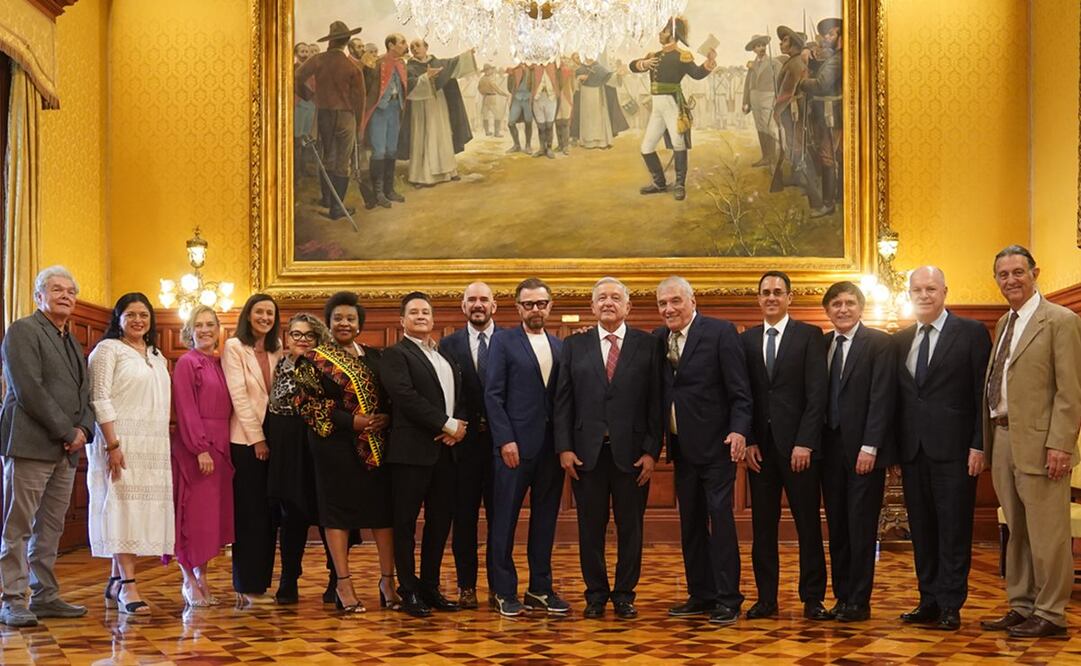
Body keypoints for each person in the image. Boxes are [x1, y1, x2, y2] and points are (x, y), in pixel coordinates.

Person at [979, 246, 1081, 638]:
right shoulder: (1005, 322)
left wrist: (1060, 445)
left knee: (1047, 531)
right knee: (1018, 529)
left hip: (1042, 445)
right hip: (1004, 437)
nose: (1011, 280)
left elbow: (1070, 392)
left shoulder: (1060, 320)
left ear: (1035, 272)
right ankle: (1022, 605)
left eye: (1018, 272)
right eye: (1003, 274)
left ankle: (1052, 613)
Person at [554, 277, 663, 620]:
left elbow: (656, 404)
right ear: (592, 306)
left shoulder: (648, 345)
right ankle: (596, 594)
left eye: (616, 298)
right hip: (586, 455)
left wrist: (651, 451)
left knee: (631, 528)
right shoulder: (574, 345)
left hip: (633, 455)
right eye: (601, 298)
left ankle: (625, 595)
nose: (608, 303)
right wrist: (564, 448)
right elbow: (563, 402)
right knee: (590, 528)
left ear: (628, 306)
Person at [894, 266, 991, 631]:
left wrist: (979, 445)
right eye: (917, 289)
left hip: (955, 451)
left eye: (931, 288)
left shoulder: (970, 333)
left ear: (945, 291)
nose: (924, 295)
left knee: (953, 529)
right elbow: (899, 399)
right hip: (913, 452)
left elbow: (983, 393)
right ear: (909, 294)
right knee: (922, 529)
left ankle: (952, 603)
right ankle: (929, 600)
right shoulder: (901, 339)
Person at [654, 276, 752, 626]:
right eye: (663, 303)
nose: (669, 309)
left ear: (692, 301)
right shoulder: (658, 338)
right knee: (690, 523)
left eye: (675, 301)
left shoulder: (720, 332)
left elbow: (740, 390)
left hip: (716, 448)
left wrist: (739, 430)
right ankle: (700, 594)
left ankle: (728, 598)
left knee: (720, 521)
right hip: (681, 449)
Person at [0, 267, 93, 627]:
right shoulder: (23, 331)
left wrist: (84, 427)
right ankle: (12, 599)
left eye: (71, 291)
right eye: (57, 290)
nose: (66, 295)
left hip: (66, 450)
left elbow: (84, 391)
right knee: (18, 525)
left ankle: (45, 595)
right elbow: (29, 391)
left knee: (50, 527)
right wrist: (67, 431)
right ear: (39, 296)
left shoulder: (71, 340)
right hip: (30, 444)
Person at [294, 292, 397, 614]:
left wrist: (387, 417)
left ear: (359, 324)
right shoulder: (312, 360)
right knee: (336, 514)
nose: (344, 323)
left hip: (376, 447)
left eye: (351, 318)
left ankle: (387, 581)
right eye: (338, 318)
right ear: (329, 322)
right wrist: (352, 421)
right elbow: (307, 404)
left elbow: (393, 397)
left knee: (383, 514)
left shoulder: (376, 357)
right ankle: (343, 583)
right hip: (334, 447)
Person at [740, 271, 830, 621]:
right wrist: (747, 441)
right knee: (763, 528)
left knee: (808, 525)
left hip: (800, 452)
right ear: (759, 298)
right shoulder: (746, 340)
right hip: (760, 452)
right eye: (766, 292)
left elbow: (816, 395)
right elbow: (741, 395)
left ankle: (813, 598)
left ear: (790, 297)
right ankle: (766, 599)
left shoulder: (809, 336)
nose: (772, 297)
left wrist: (805, 442)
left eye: (778, 292)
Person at [485, 278, 569, 617]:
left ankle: (540, 588)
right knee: (504, 521)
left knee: (545, 520)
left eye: (541, 303)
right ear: (518, 307)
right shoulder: (503, 342)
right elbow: (492, 394)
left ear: (550, 306)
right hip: (514, 448)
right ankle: (503, 591)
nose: (536, 309)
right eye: (529, 304)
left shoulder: (561, 346)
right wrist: (505, 439)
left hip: (551, 450)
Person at [86, 292, 174, 616]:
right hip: (119, 443)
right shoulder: (107, 350)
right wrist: (112, 445)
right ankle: (129, 585)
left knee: (135, 510)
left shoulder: (157, 355)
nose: (138, 320)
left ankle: (114, 579)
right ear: (118, 318)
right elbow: (100, 398)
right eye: (131, 314)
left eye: (144, 315)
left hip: (152, 445)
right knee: (121, 508)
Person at [381, 292, 466, 617]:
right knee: (405, 524)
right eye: (413, 312)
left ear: (432, 319)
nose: (420, 316)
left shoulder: (444, 357)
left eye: (425, 312)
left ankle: (430, 587)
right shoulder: (396, 354)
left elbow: (458, 396)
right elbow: (405, 396)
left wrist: (458, 426)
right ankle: (408, 589)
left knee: (439, 523)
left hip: (446, 453)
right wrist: (446, 424)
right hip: (410, 454)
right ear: (402, 321)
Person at [818, 281, 895, 622]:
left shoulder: (879, 343)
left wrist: (871, 446)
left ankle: (860, 601)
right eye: (836, 304)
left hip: (864, 451)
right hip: (829, 451)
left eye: (849, 303)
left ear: (861, 307)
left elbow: (882, 398)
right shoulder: (821, 345)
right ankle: (842, 596)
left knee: (861, 527)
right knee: (837, 527)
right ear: (828, 311)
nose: (843, 309)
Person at [438, 282, 499, 609]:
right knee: (464, 521)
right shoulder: (447, 345)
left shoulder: (509, 341)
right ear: (463, 306)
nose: (478, 304)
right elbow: (444, 393)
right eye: (471, 300)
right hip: (462, 447)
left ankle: (498, 585)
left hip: (502, 447)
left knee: (499, 520)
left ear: (494, 305)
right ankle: (466, 586)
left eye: (483, 299)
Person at [171, 305, 234, 608]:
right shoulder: (187, 363)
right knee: (191, 517)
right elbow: (185, 408)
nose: (206, 330)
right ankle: (187, 578)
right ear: (190, 330)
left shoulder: (221, 363)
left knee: (209, 520)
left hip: (222, 446)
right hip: (197, 448)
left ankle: (203, 576)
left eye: (211, 324)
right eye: (200, 325)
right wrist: (200, 449)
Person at [222, 293, 283, 607]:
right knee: (249, 515)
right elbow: (239, 398)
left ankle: (261, 584)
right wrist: (258, 439)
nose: (264, 317)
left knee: (269, 515)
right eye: (259, 311)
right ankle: (246, 585)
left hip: (273, 440)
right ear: (248, 315)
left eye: (270, 313)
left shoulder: (276, 350)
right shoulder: (234, 347)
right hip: (246, 442)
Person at [265, 313, 326, 604]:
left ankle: (336, 578)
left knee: (328, 514)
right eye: (296, 334)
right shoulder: (279, 364)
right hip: (286, 445)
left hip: (318, 442)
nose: (302, 340)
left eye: (309, 335)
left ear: (318, 339)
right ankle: (289, 577)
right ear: (288, 339)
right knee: (292, 515)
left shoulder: (327, 367)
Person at [629, 17, 716, 201]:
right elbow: (632, 66)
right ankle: (659, 183)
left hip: (673, 105)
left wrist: (709, 63)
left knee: (679, 144)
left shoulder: (682, 56)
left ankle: (679, 185)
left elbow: (697, 74)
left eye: (664, 31)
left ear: (673, 34)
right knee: (646, 147)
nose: (660, 34)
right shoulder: (655, 56)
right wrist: (643, 64)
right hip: (657, 108)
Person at [294, 21, 366, 221]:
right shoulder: (352, 67)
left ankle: (327, 199)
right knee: (342, 163)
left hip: (324, 114)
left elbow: (296, 77)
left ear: (330, 41)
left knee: (327, 158)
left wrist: (309, 95)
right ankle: (336, 208)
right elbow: (359, 101)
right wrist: (359, 127)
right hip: (346, 116)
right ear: (346, 42)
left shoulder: (318, 60)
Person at [399, 39, 473, 187]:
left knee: (441, 134)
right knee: (422, 135)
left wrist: (468, 56)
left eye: (418, 46)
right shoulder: (410, 67)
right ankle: (421, 177)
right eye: (412, 47)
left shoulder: (438, 63)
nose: (415, 49)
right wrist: (426, 77)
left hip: (438, 104)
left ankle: (448, 171)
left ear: (426, 47)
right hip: (420, 106)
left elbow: (454, 64)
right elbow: (409, 85)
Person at [799, 18, 844, 215]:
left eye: (831, 34)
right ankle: (840, 197)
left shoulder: (838, 59)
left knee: (827, 157)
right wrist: (809, 53)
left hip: (830, 114)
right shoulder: (836, 57)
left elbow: (821, 85)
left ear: (841, 36)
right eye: (825, 34)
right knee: (837, 155)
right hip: (830, 112)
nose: (826, 38)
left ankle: (828, 204)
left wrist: (803, 83)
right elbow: (822, 67)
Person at [363, 33, 409, 208]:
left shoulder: (402, 63)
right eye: (402, 42)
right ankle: (378, 193)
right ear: (391, 45)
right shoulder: (377, 62)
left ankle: (389, 190)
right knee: (379, 152)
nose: (405, 45)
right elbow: (366, 85)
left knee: (391, 150)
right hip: (379, 110)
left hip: (395, 109)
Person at [572, 57, 629, 150]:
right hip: (585, 97)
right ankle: (587, 142)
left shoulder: (599, 68)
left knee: (599, 118)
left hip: (598, 96)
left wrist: (618, 75)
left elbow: (610, 78)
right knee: (587, 118)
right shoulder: (580, 69)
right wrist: (579, 78)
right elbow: (575, 85)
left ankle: (601, 142)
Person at [741, 34, 781, 167]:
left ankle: (773, 157)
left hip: (768, 97)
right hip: (754, 98)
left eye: (763, 45)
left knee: (770, 127)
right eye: (758, 46)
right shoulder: (752, 65)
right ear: (754, 49)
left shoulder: (774, 63)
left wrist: (778, 99)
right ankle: (765, 157)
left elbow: (780, 82)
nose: (762, 48)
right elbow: (748, 84)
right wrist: (746, 101)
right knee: (760, 126)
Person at [505, 62, 534, 154]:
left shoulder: (533, 71)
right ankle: (516, 145)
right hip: (517, 99)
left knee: (528, 122)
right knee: (511, 123)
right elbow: (509, 88)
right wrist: (511, 75)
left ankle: (528, 145)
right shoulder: (515, 71)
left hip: (528, 99)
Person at [477, 64, 509, 137]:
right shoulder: (490, 79)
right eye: (490, 69)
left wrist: (483, 93)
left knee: (485, 115)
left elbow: (479, 88)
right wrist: (505, 94)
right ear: (487, 71)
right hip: (491, 98)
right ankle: (496, 133)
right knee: (497, 115)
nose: (491, 71)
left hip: (485, 98)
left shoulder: (482, 79)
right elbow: (497, 89)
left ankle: (487, 131)